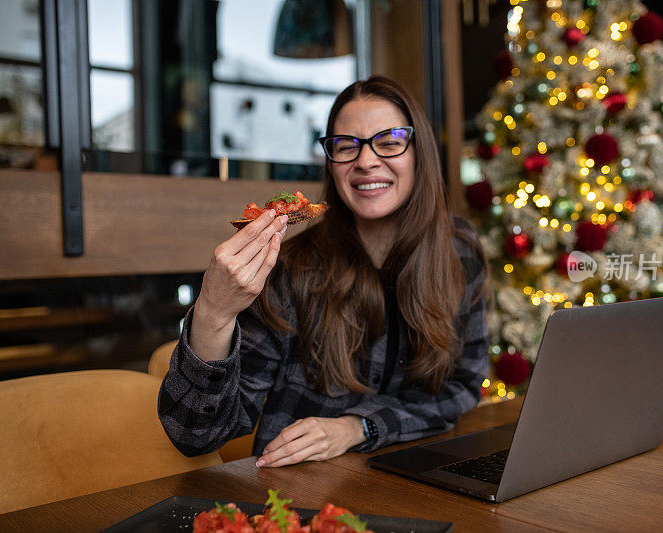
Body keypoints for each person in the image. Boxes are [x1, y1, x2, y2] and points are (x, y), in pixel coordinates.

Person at [158, 75, 488, 468]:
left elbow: (463, 387)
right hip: (304, 497)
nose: (366, 161)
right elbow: (196, 435)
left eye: (389, 141)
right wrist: (214, 311)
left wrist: (357, 427)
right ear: (331, 166)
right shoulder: (290, 270)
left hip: (423, 477)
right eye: (345, 146)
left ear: (420, 153)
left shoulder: (459, 250)